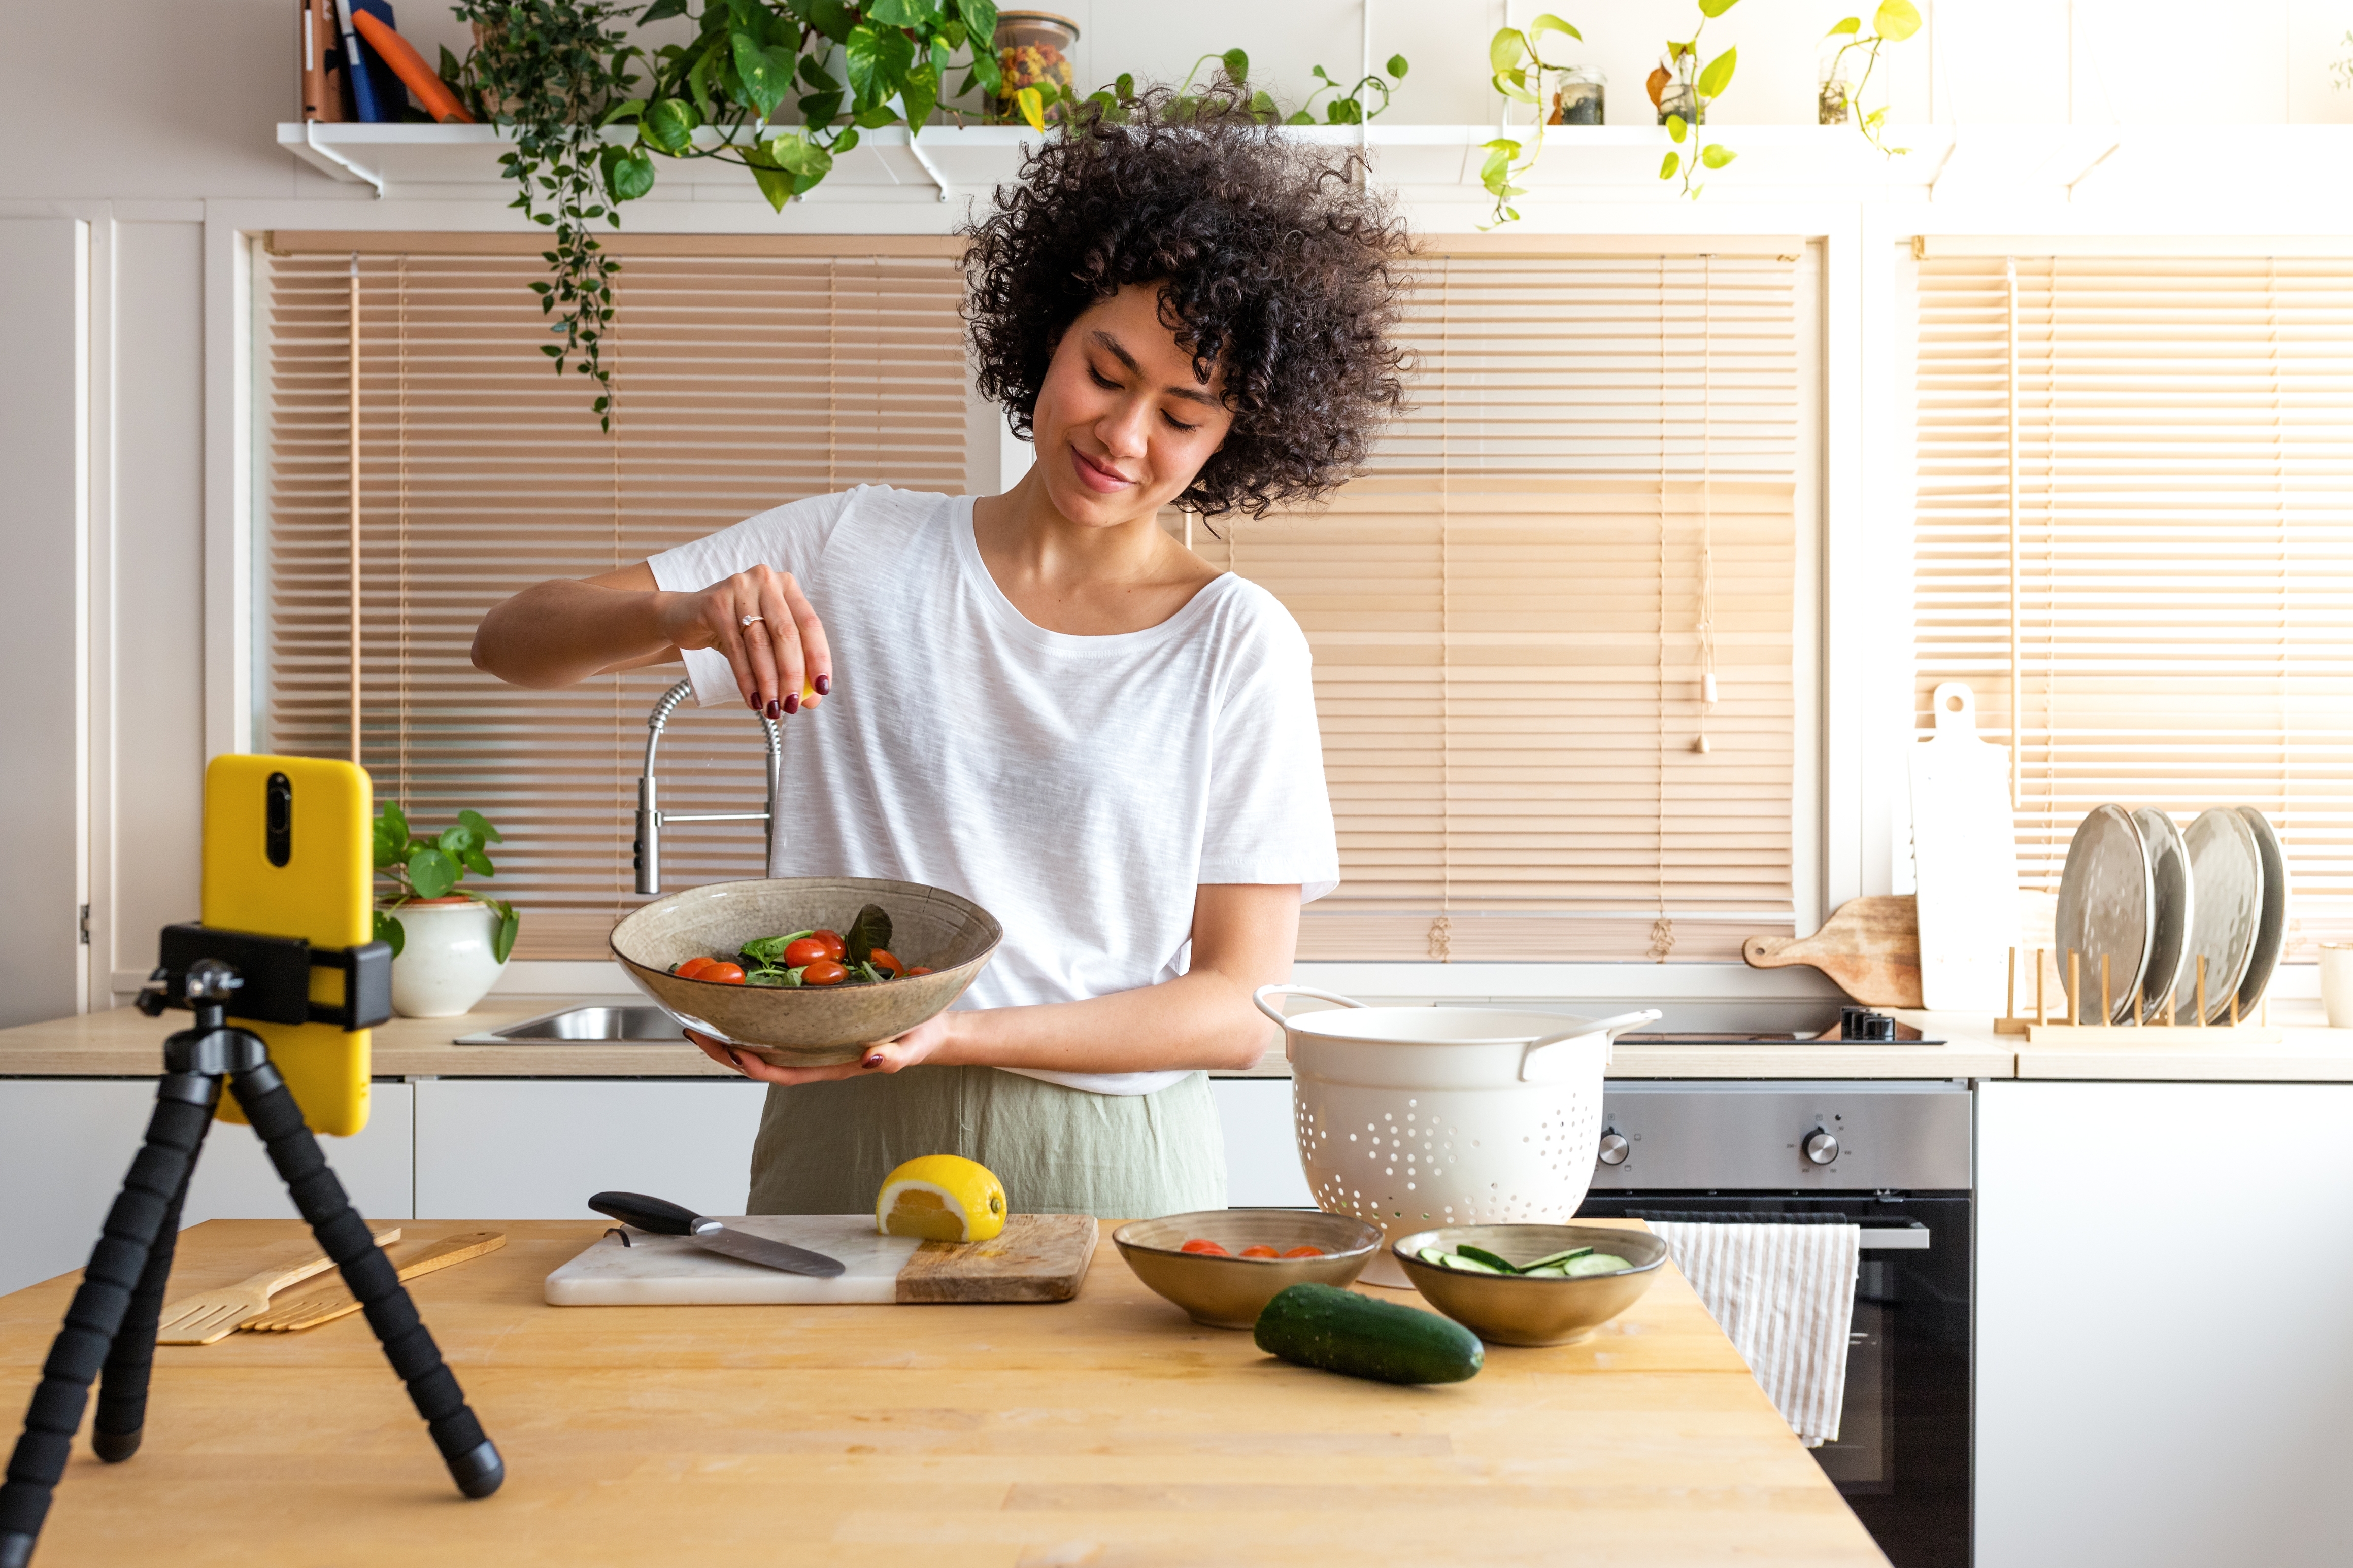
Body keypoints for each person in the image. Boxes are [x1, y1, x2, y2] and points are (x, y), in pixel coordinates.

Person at [470, 89, 1411, 1218]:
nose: (1122, 436)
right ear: (1048, 332)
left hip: (1108, 1156)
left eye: (1181, 415)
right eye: (1106, 372)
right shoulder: (850, 546)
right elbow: (509, 642)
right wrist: (685, 613)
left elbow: (1235, 1008)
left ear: (1234, 437)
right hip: (840, 1135)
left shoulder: (1234, 642)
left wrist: (954, 1032)